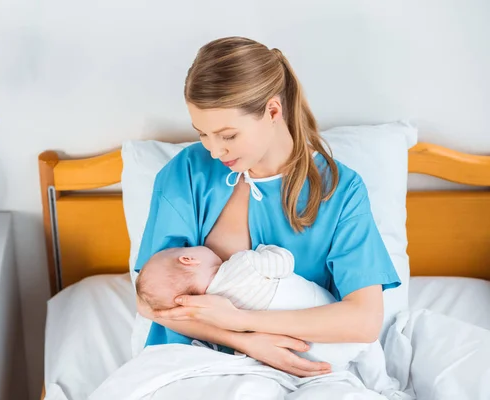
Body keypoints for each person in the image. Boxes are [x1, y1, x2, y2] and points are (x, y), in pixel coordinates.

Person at [134, 36, 401, 379]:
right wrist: (246, 341)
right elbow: (149, 300)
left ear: (273, 111)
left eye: (227, 135)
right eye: (202, 134)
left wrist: (245, 323)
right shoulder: (186, 172)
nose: (214, 151)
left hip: (305, 368)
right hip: (190, 364)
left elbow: (364, 320)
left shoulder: (339, 191)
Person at [134, 244, 409, 397]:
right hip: (339, 331)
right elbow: (283, 261)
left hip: (305, 358)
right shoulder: (241, 264)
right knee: (369, 350)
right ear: (188, 258)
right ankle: (386, 388)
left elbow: (149, 308)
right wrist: (263, 250)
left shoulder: (207, 314)